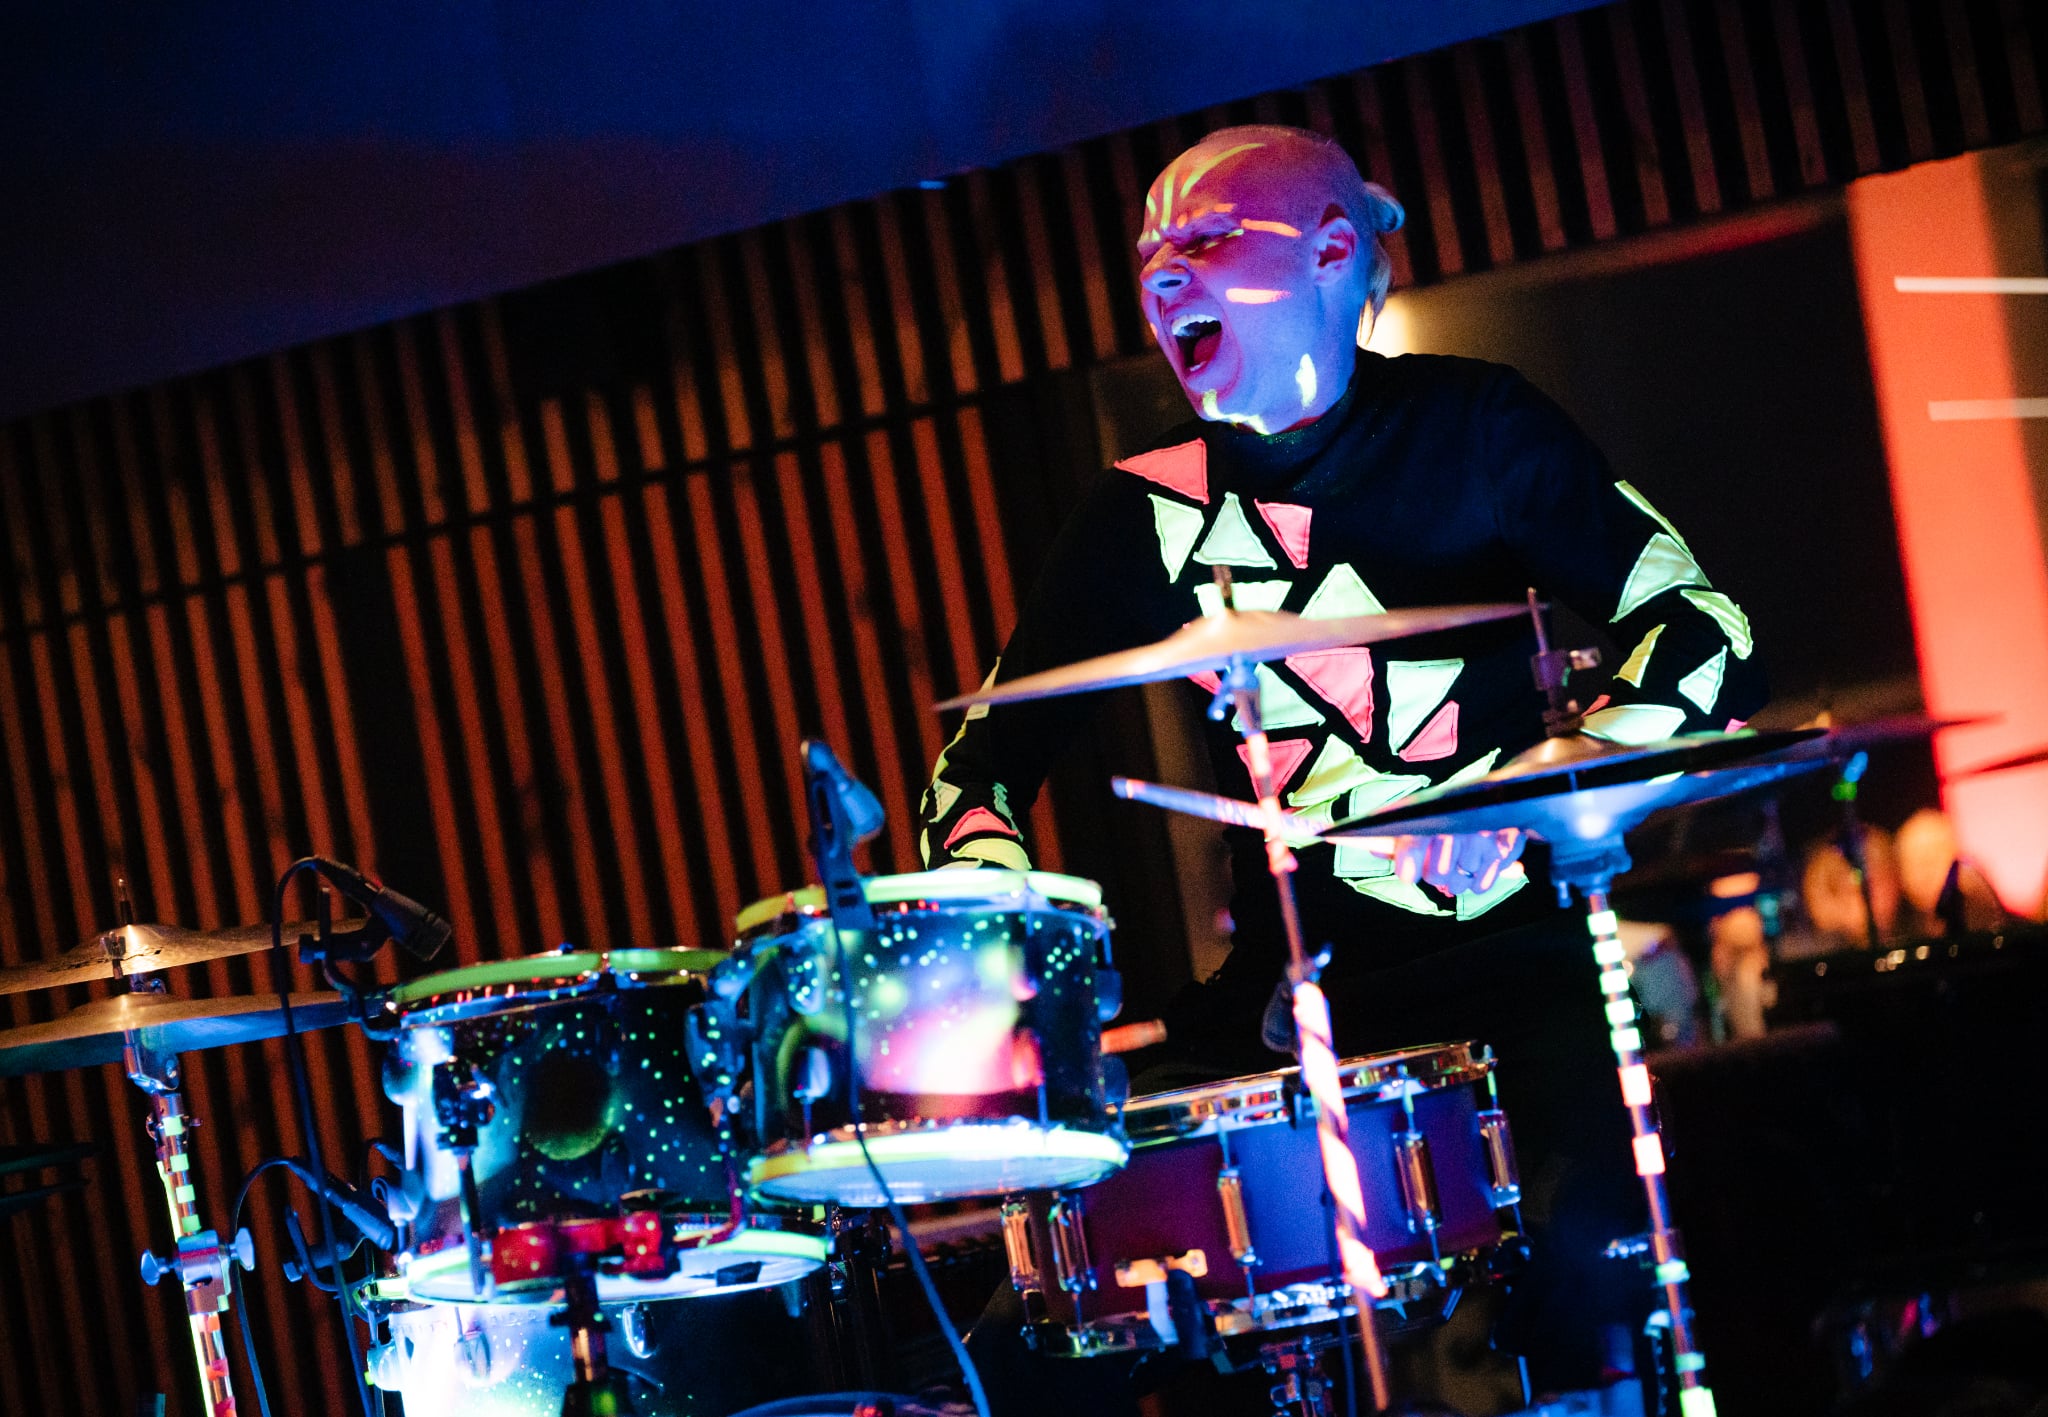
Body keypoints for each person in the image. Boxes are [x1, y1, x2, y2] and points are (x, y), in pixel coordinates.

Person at [922, 126, 1767, 1407]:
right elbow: (973, 772)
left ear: (1331, 253)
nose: (1162, 277)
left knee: (1594, 1268)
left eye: (1207, 241)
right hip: (1291, 997)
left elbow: (1707, 633)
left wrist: (1540, 783)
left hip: (1516, 971)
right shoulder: (1140, 510)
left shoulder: (1475, 424)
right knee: (1035, 1336)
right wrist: (1001, 939)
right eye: (1149, 256)